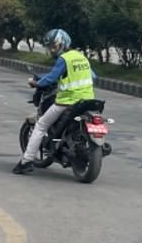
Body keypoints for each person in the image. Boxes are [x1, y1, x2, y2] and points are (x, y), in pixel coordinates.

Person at [13, 29, 94, 175]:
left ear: (62, 44)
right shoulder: (81, 57)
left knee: (41, 125)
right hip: (87, 100)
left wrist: (35, 83)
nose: (51, 50)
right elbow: (93, 76)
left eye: (54, 46)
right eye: (50, 47)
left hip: (67, 102)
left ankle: (26, 161)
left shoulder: (64, 59)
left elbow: (50, 78)